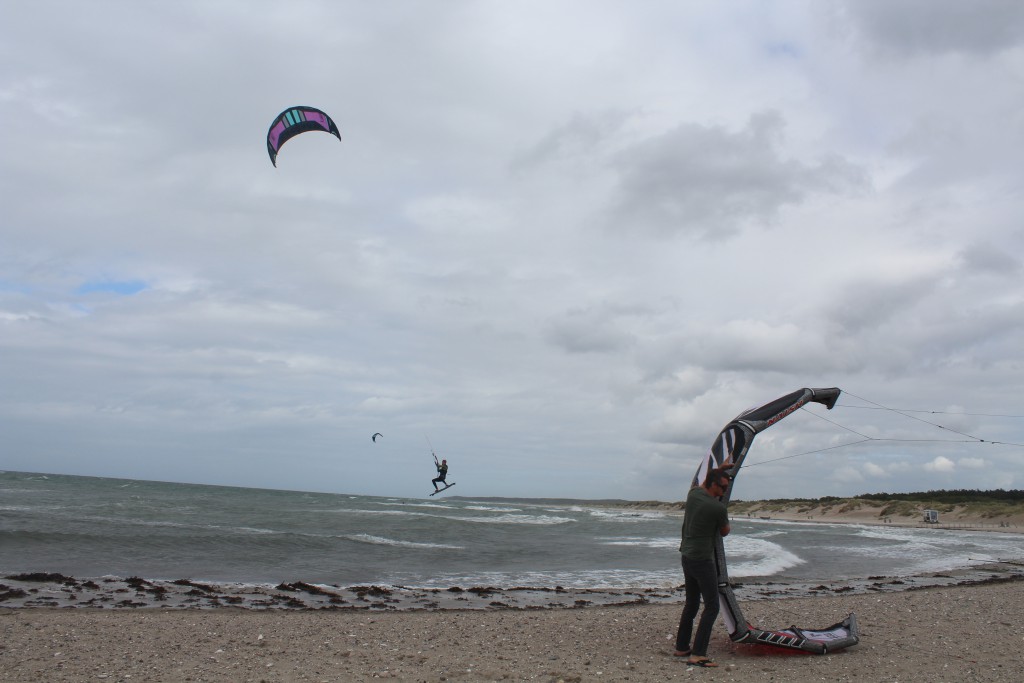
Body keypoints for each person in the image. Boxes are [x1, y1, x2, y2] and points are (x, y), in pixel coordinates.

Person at [674, 466, 732, 668]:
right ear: (713, 484)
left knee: (691, 603)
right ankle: (698, 654)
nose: (724, 491)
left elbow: (699, 482)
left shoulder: (694, 494)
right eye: (723, 487)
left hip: (686, 556)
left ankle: (682, 647)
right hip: (702, 560)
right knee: (712, 606)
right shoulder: (717, 508)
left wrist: (720, 468)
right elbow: (725, 531)